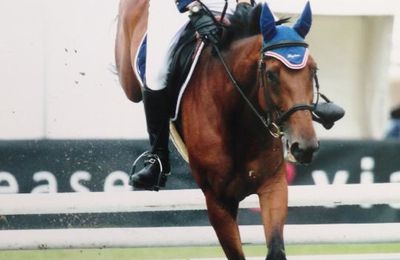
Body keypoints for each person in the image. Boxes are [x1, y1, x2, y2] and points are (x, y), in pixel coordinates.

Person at [130, 0, 254, 190]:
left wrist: (245, 4)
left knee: (282, 44)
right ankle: (157, 160)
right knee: (157, 74)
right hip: (176, 7)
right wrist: (194, 8)